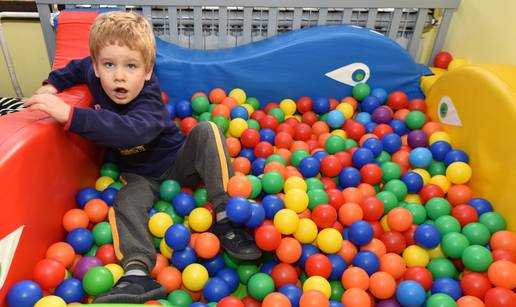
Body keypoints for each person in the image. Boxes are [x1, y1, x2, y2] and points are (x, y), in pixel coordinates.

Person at [25, 11, 261, 304]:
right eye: (109, 65)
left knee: (206, 129)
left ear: (148, 70)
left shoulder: (149, 99)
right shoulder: (91, 71)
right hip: (140, 177)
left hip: (178, 164)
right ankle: (137, 273)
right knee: (124, 201)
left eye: (131, 66)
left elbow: (129, 132)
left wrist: (71, 115)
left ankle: (226, 215)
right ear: (97, 67)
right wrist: (52, 84)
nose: (119, 75)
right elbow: (74, 68)